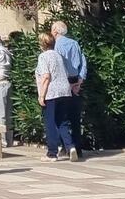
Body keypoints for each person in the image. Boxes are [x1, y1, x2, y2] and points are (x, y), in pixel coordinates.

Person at [34, 33, 77, 161]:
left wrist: (41, 95)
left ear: (42, 44)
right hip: (65, 91)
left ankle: (52, 153)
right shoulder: (59, 55)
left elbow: (46, 76)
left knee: (50, 122)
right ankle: (70, 146)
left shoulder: (43, 57)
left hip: (51, 92)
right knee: (62, 121)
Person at [50, 21, 87, 152]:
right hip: (76, 80)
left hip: (63, 81)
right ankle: (78, 148)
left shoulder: (55, 47)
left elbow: (57, 67)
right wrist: (79, 82)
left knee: (61, 117)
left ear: (55, 31)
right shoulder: (74, 43)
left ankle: (66, 146)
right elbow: (83, 63)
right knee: (75, 117)